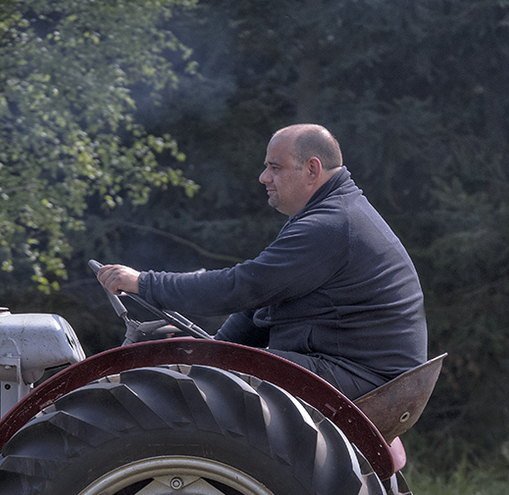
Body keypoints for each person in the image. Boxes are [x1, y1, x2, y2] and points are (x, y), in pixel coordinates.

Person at [95, 123, 426, 400]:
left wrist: (144, 283)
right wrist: (214, 352)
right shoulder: (329, 215)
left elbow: (243, 286)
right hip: (353, 370)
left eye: (275, 167)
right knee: (201, 372)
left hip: (362, 377)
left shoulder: (331, 225)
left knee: (200, 395)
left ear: (312, 169)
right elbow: (262, 302)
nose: (263, 177)